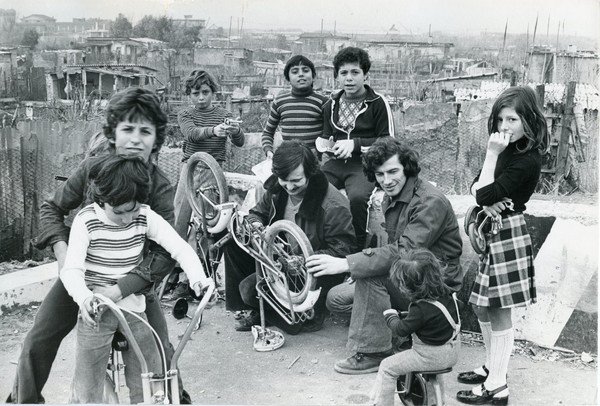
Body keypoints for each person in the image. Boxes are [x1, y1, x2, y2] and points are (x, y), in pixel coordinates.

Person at [6, 87, 193, 404]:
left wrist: (122, 288)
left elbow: (165, 252)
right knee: (38, 340)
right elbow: (51, 208)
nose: (135, 140)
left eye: (145, 132)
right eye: (128, 129)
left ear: (156, 139)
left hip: (136, 280)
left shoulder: (159, 185)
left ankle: (176, 399)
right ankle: (23, 400)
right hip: (86, 277)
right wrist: (64, 254)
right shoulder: (92, 169)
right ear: (113, 133)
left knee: (161, 350)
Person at [60, 155, 212, 403]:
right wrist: (84, 297)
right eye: (118, 212)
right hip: (97, 308)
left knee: (151, 375)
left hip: (133, 305)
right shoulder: (86, 221)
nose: (127, 219)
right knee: (87, 384)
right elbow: (71, 270)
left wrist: (198, 279)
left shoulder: (145, 216)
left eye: (133, 210)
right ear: (101, 201)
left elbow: (179, 248)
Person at [306, 137, 463, 374]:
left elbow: (403, 251)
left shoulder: (430, 201)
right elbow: (394, 250)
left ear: (407, 168)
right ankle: (402, 331)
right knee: (336, 299)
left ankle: (374, 351)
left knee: (370, 277)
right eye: (379, 174)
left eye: (393, 172)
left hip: (434, 287)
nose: (386, 181)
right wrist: (359, 266)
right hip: (409, 277)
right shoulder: (395, 193)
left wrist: (349, 263)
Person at [455, 86, 548, 405]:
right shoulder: (507, 148)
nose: (504, 126)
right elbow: (476, 185)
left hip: (507, 232)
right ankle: (491, 366)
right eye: (500, 119)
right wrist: (486, 195)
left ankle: (497, 386)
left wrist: (491, 157)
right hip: (493, 229)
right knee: (482, 305)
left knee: (498, 309)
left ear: (529, 120)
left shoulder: (527, 159)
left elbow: (482, 192)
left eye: (512, 119)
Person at [225, 140, 356, 333]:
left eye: (296, 180)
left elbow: (344, 249)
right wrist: (256, 225)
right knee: (234, 242)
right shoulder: (278, 189)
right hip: (282, 257)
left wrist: (302, 260)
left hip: (312, 271)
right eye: (283, 179)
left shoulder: (333, 204)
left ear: (310, 173)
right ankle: (253, 308)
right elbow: (257, 213)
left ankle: (307, 314)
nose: (289, 186)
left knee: (249, 289)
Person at [173, 69, 245, 296]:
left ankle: (199, 277)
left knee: (206, 224)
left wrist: (235, 130)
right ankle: (177, 273)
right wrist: (214, 130)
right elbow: (191, 134)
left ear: (213, 92)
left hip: (213, 173)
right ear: (189, 95)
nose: (201, 97)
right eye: (196, 93)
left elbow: (240, 142)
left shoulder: (224, 114)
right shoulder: (186, 114)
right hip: (189, 170)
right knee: (180, 221)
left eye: (205, 92)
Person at [316, 46, 394, 249]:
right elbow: (326, 136)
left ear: (365, 75)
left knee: (358, 199)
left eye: (355, 72)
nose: (349, 78)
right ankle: (321, 242)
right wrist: (324, 145)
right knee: (313, 190)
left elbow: (388, 141)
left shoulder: (377, 103)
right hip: (335, 164)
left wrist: (355, 144)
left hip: (364, 166)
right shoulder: (331, 105)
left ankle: (357, 247)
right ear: (336, 76)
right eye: (343, 73)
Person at [369, 249, 461, 406]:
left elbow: (401, 329)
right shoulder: (447, 296)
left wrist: (391, 316)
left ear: (408, 286)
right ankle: (436, 401)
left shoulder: (420, 309)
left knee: (387, 367)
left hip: (429, 357)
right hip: (452, 353)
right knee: (434, 366)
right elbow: (434, 318)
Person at [261, 55, 328, 158]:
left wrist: (318, 152)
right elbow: (268, 133)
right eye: (295, 72)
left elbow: (329, 134)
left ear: (313, 75)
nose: (301, 74)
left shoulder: (323, 102)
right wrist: (268, 151)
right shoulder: (279, 102)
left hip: (315, 162)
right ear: (288, 78)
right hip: (289, 161)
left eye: (305, 70)